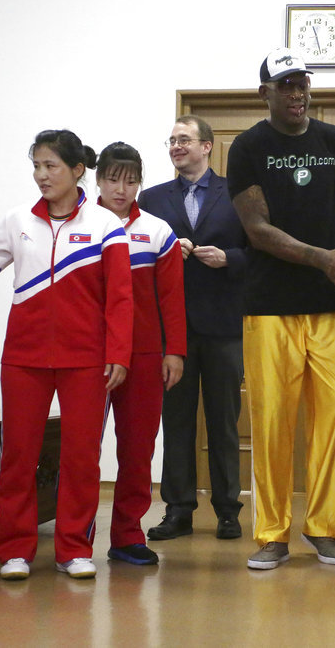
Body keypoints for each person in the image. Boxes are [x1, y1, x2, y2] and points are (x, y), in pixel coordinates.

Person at [0, 130, 133, 581]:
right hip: (24, 358)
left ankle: (74, 548)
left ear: (77, 171)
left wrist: (118, 353)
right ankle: (14, 548)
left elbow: (119, 299)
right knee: (18, 454)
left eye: (50, 166)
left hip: (86, 361)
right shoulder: (17, 221)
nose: (41, 175)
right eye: (36, 165)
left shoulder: (106, 226)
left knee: (80, 457)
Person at [226, 48, 335, 570]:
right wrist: (321, 259)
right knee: (271, 421)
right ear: (263, 91)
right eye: (285, 84)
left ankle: (325, 529)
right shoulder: (246, 147)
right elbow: (256, 230)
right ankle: (271, 534)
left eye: (302, 82)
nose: (296, 93)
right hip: (269, 308)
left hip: (331, 306)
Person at [139, 116, 248, 541]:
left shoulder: (236, 195)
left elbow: (258, 254)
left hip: (223, 328)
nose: (176, 146)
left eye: (184, 140)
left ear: (207, 146)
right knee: (177, 420)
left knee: (224, 421)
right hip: (171, 332)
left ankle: (227, 510)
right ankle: (178, 509)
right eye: (171, 141)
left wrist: (229, 259)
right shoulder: (150, 200)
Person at [94, 141, 186, 564]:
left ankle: (127, 535)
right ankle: (76, 537)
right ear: (97, 179)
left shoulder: (157, 230)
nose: (122, 189)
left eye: (131, 181)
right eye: (114, 179)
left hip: (147, 354)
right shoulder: (80, 224)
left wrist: (175, 352)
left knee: (138, 448)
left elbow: (171, 298)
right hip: (90, 355)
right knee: (82, 447)